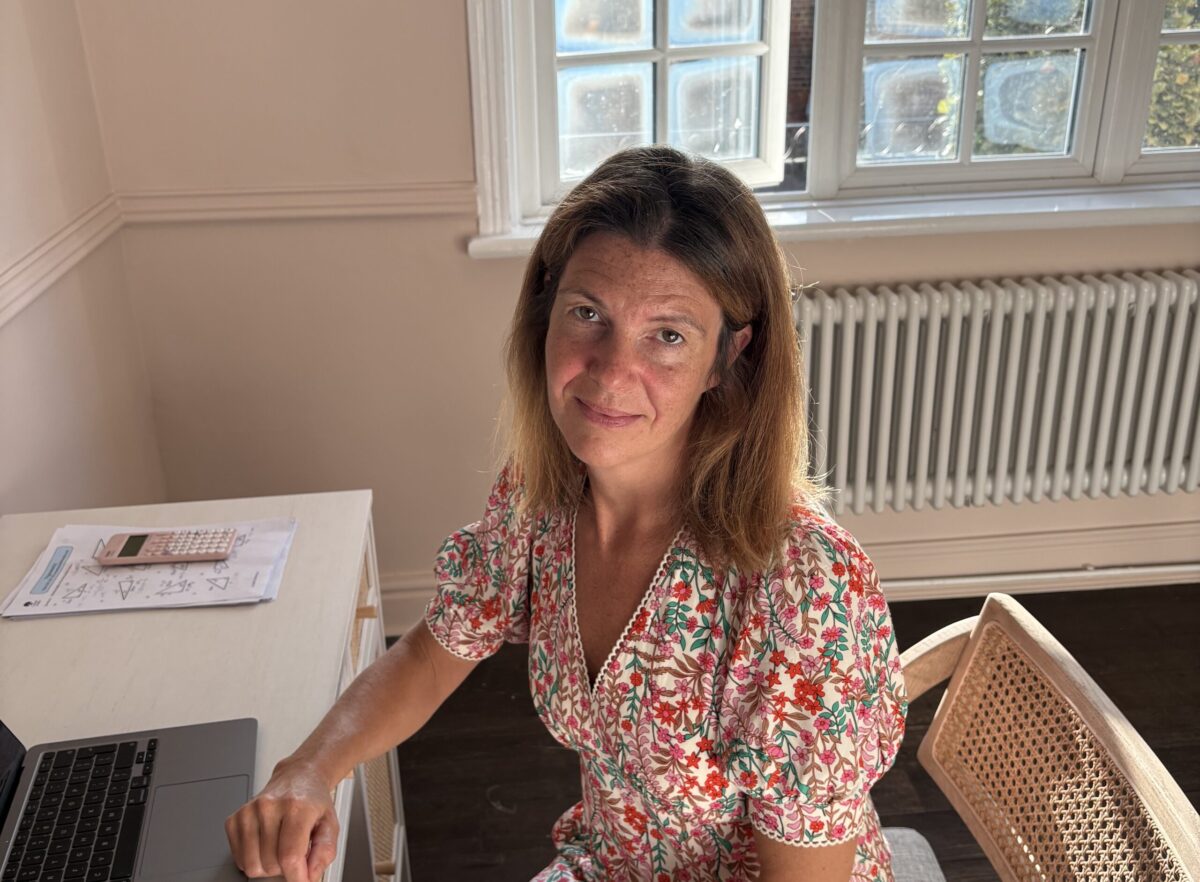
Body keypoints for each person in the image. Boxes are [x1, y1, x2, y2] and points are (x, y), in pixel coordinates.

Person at [226, 145, 908, 882]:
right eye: (589, 314)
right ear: (545, 311)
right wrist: (308, 769)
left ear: (727, 358)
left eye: (668, 335)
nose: (612, 373)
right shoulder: (544, 494)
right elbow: (429, 657)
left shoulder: (805, 584)